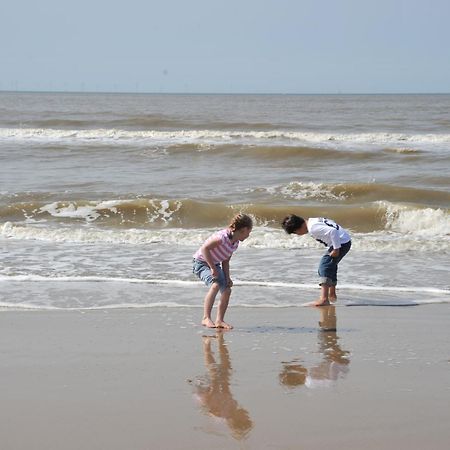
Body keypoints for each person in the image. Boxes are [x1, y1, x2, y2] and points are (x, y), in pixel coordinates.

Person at [193, 213, 253, 329]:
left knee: (226, 290)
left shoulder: (235, 243)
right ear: (243, 230)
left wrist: (228, 277)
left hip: (215, 264)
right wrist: (212, 268)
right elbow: (205, 248)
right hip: (201, 263)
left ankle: (219, 320)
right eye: (248, 232)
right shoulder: (222, 238)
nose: (248, 235)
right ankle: (206, 318)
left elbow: (225, 261)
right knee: (215, 285)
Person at [282, 214, 351, 306]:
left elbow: (333, 231)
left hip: (341, 243)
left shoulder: (313, 228)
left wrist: (336, 249)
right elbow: (332, 224)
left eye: (295, 233)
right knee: (331, 265)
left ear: (297, 229)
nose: (298, 235)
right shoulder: (312, 221)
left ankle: (324, 299)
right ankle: (332, 293)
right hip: (344, 240)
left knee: (324, 267)